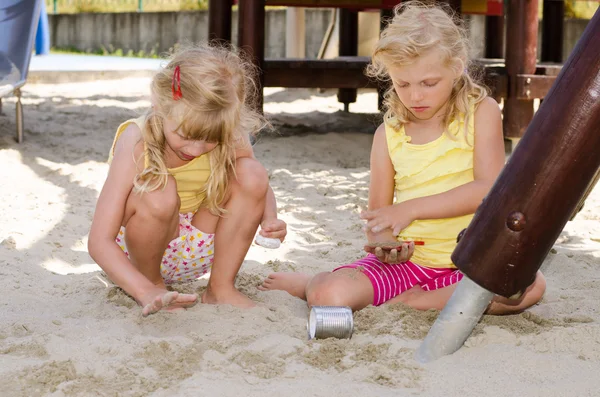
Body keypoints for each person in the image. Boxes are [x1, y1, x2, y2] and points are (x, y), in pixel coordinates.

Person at [259, 1, 546, 315]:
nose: (415, 96)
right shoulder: (389, 135)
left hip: (474, 264)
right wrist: (385, 244)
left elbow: (488, 189)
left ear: (456, 66)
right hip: (409, 266)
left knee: (530, 288)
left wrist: (410, 209)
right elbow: (379, 218)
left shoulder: (481, 112)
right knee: (330, 294)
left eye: (428, 83)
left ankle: (414, 302)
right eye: (402, 84)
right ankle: (311, 283)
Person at [88, 44, 287, 316]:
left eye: (210, 140)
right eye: (185, 134)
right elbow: (99, 240)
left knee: (251, 170)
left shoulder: (228, 132)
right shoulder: (137, 140)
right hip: (136, 257)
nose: (194, 150)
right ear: (160, 106)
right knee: (159, 189)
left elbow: (257, 184)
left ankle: (220, 288)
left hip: (199, 246)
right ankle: (155, 286)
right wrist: (144, 290)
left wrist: (270, 218)